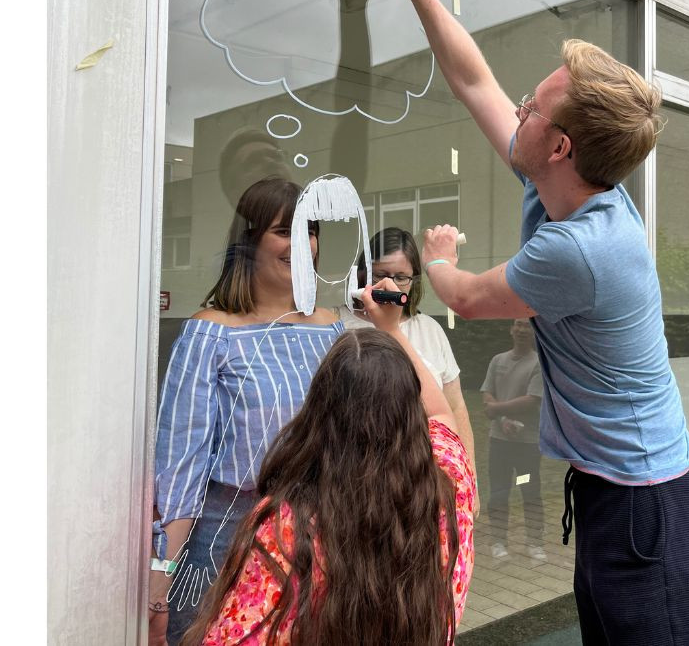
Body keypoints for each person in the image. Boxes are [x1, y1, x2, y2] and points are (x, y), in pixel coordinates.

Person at [371, 0, 689, 645]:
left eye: (533, 106)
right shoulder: (560, 183)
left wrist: (434, 254)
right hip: (613, 498)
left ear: (559, 144)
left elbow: (464, 296)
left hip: (647, 513)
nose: (519, 108)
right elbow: (473, 80)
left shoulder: (583, 249)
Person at [178, 280, 477, 646]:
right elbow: (442, 411)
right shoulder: (450, 484)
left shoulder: (289, 527)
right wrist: (391, 329)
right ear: (409, 411)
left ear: (319, 410)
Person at [150, 177, 344, 646]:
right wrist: (161, 575)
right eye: (285, 230)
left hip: (322, 540)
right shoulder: (209, 334)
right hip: (226, 544)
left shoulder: (334, 329)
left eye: (310, 229)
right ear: (249, 241)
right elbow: (180, 466)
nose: (302, 242)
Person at [335, 227, 473, 470]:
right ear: (362, 274)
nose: (390, 285)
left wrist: (469, 473)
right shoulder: (335, 323)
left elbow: (455, 406)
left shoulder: (430, 329)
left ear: (414, 281)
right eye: (380, 275)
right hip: (355, 470)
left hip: (426, 472)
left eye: (401, 277)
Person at [480, 318, 546, 561]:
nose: (521, 330)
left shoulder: (539, 363)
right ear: (511, 329)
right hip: (499, 443)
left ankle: (535, 542)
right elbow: (488, 394)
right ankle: (498, 541)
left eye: (527, 326)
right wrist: (502, 419)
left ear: (534, 331)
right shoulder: (498, 361)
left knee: (528, 487)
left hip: (527, 446)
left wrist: (496, 411)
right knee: (499, 490)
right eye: (518, 324)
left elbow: (532, 400)